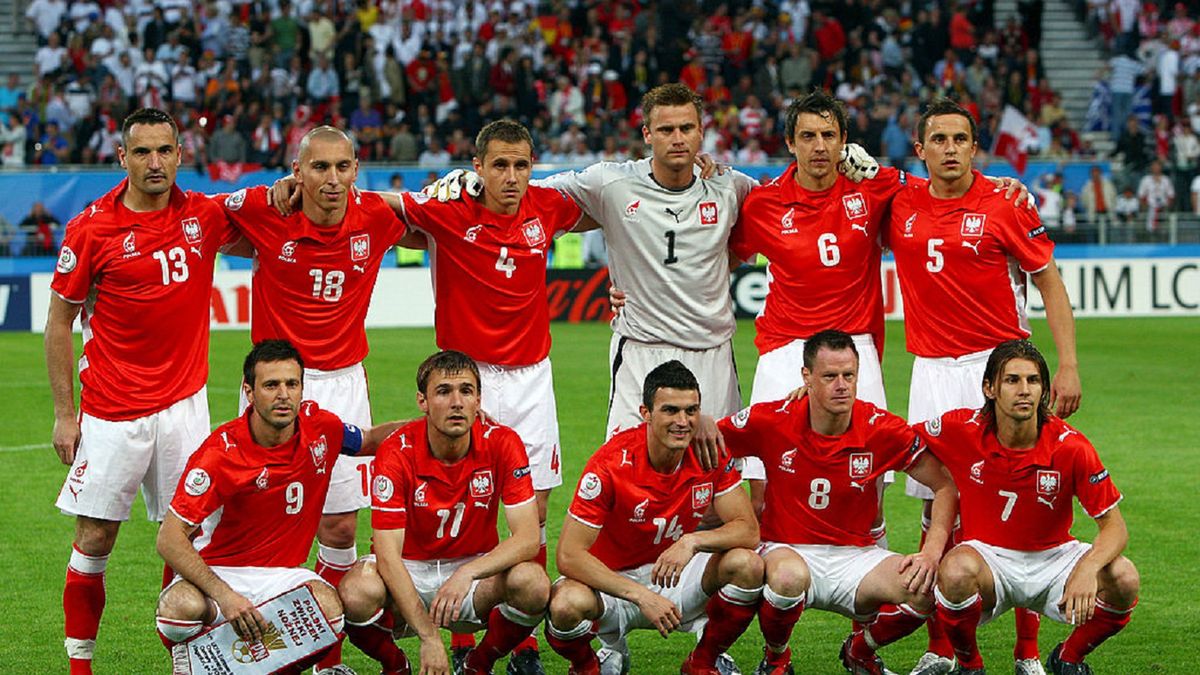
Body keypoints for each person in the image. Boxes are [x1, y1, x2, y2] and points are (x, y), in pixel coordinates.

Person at [887, 98, 1081, 675]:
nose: (950, 150)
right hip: (931, 373)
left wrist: (1066, 365)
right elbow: (853, 177)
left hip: (996, 368)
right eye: (938, 140)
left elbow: (1048, 281)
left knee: (1018, 506)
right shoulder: (900, 202)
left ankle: (1026, 653)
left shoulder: (1005, 203)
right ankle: (941, 647)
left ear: (976, 148)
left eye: (960, 140)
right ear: (920, 149)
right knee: (934, 512)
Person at [220, 125, 423, 674]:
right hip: (278, 385)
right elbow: (201, 218)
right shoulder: (269, 215)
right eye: (319, 167)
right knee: (266, 527)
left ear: (356, 170)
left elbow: (445, 228)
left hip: (343, 386)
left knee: (337, 528)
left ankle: (325, 658)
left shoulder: (378, 218)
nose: (331, 179)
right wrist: (266, 192)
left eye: (342, 167)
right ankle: (248, 645)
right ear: (298, 171)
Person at [45, 107, 238, 675]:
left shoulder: (204, 213)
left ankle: (186, 661)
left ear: (181, 155)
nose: (155, 163)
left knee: (188, 533)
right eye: (142, 152)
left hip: (185, 407)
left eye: (165, 151)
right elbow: (60, 322)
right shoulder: (91, 227)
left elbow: (265, 214)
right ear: (122, 157)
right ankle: (80, 665)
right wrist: (64, 414)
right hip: (111, 410)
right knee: (95, 536)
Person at [717, 330, 957, 675]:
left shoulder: (880, 428)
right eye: (829, 376)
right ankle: (775, 660)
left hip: (856, 557)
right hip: (787, 550)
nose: (842, 385)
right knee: (786, 577)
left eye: (849, 375)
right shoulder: (774, 418)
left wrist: (932, 552)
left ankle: (860, 651)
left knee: (930, 589)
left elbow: (944, 485)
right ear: (807, 377)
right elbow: (709, 446)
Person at [154, 340, 399, 673]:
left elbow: (370, 440)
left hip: (282, 576)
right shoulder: (219, 454)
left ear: (301, 388)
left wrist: (431, 425)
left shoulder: (321, 428)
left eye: (291, 384)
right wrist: (225, 596)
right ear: (249, 392)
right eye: (271, 385)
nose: (283, 394)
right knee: (178, 611)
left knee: (330, 612)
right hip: (219, 572)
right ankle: (194, 662)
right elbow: (169, 538)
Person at [923, 340, 1139, 675]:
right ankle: (970, 665)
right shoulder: (961, 429)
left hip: (1053, 558)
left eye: (1033, 381)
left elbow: (1115, 526)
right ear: (989, 388)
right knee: (953, 572)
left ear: (1043, 390)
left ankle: (1068, 658)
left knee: (1124, 578)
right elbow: (894, 439)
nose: (1024, 390)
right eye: (1012, 380)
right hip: (988, 559)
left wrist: (1088, 567)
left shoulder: (1072, 447)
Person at [337, 350, 550, 675]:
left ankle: (478, 665)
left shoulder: (504, 443)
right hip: (407, 568)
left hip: (473, 569)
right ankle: (396, 666)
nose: (456, 402)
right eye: (443, 391)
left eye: (466, 391)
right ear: (422, 401)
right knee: (355, 592)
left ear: (478, 400)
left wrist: (467, 573)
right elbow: (387, 555)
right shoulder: (396, 450)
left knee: (533, 583)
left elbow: (527, 539)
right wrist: (428, 635)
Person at [545, 360, 763, 675]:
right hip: (615, 584)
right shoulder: (610, 464)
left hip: (676, 578)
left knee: (748, 565)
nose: (683, 422)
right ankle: (589, 666)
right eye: (670, 410)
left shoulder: (708, 453)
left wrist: (692, 541)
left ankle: (703, 662)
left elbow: (748, 530)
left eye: (691, 411)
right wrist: (640, 595)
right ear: (645, 413)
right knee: (564, 605)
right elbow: (568, 555)